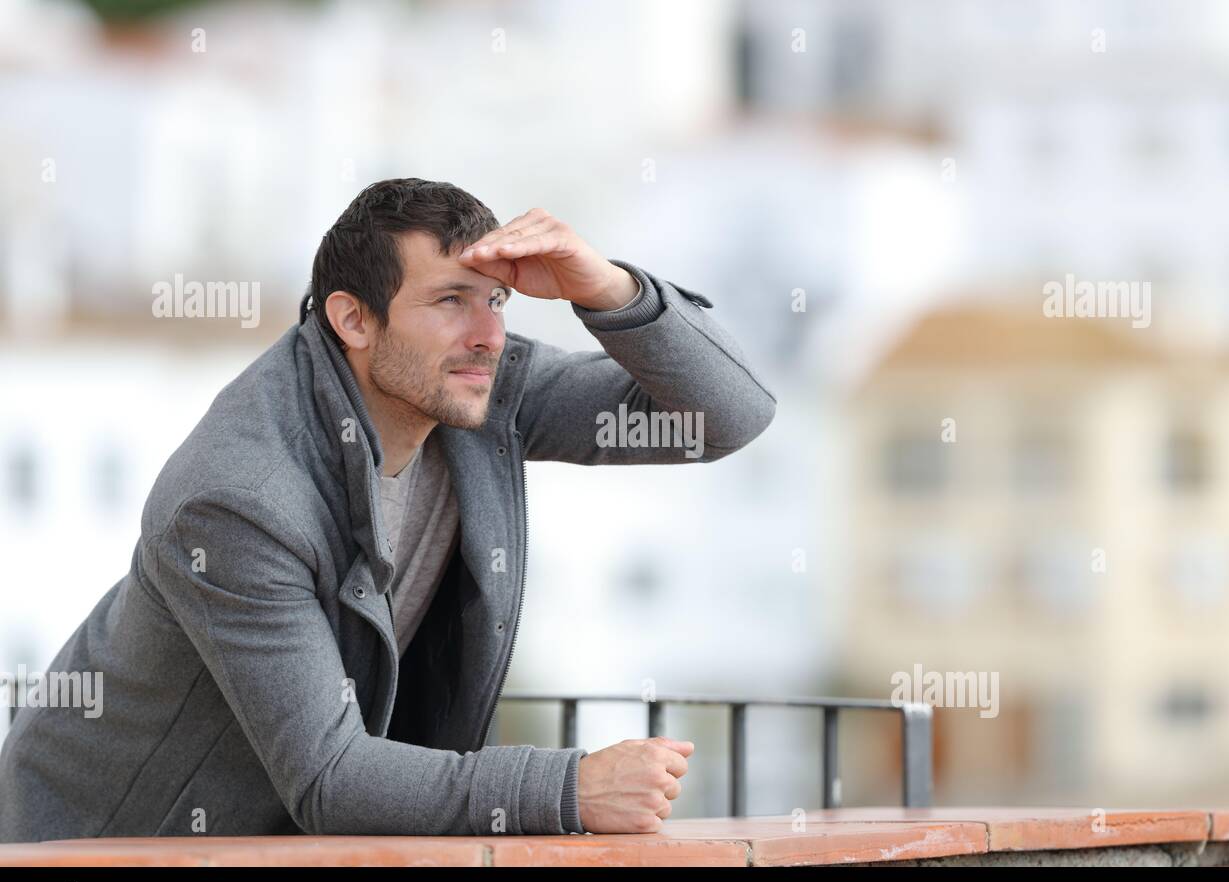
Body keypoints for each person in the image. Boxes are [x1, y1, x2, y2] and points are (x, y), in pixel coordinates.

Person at [0, 178, 777, 841]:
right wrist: (571, 789)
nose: (488, 336)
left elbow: (728, 415)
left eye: (495, 300)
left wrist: (605, 287)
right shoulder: (237, 500)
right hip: (96, 857)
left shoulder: (477, 391)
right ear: (353, 319)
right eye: (449, 301)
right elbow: (331, 778)